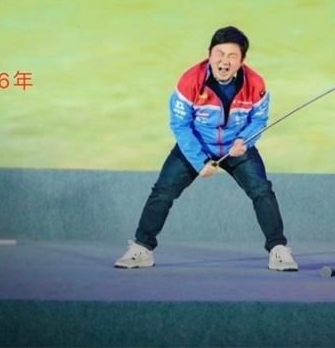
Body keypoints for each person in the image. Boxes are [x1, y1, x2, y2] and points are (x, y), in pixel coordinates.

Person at [115, 26, 298, 272]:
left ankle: (278, 249)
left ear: (242, 60)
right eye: (219, 54)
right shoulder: (190, 80)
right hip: (196, 144)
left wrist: (244, 141)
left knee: (262, 191)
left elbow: (258, 119)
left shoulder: (256, 84)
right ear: (209, 54)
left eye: (232, 56)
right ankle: (142, 248)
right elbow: (180, 124)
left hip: (236, 147)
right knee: (162, 192)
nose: (224, 61)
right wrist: (199, 160)